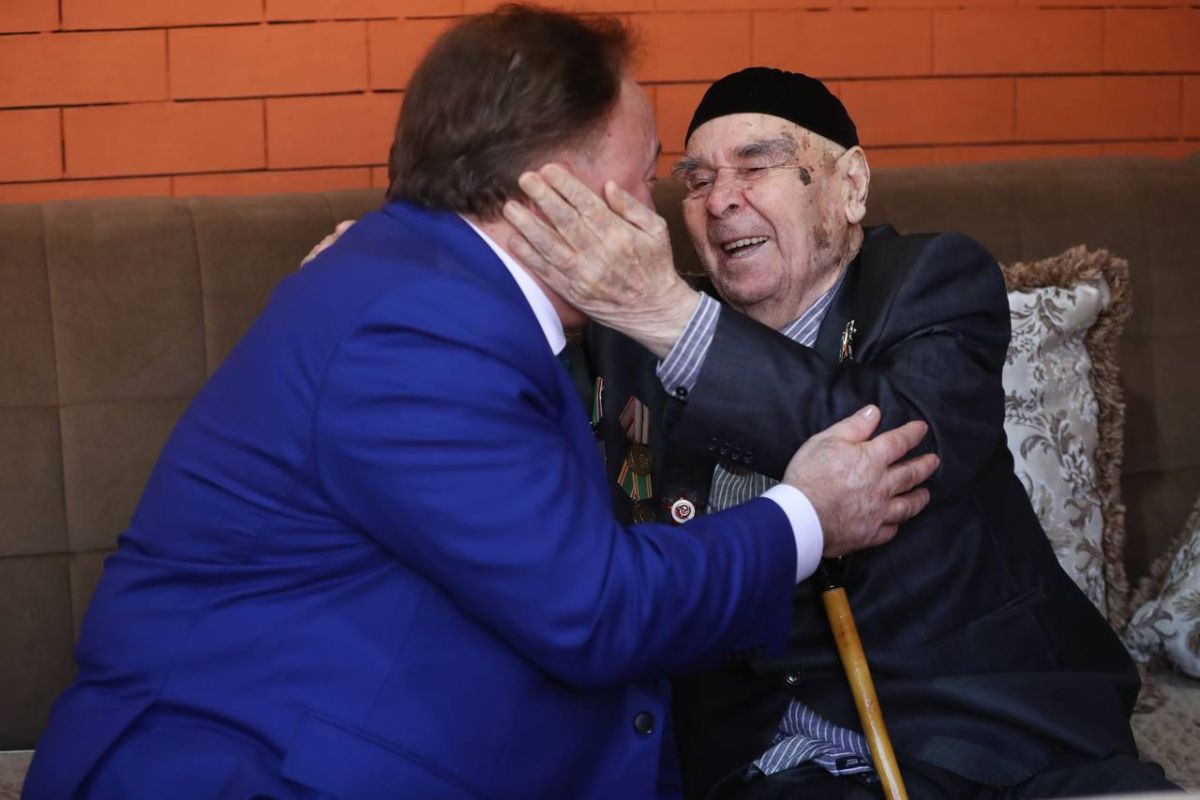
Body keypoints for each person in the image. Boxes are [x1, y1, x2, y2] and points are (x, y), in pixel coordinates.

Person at [19, 14, 941, 800]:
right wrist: (807, 517)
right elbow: (596, 608)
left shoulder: (434, 288)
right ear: (554, 186)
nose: (658, 210)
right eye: (649, 173)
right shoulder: (417, 322)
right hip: (254, 770)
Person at [504, 68, 1178, 798]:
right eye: (696, 181)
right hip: (761, 749)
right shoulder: (635, 338)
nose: (719, 199)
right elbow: (510, 409)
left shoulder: (930, 281)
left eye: (756, 166)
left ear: (849, 185)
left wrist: (673, 318)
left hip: (984, 728)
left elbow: (898, 444)